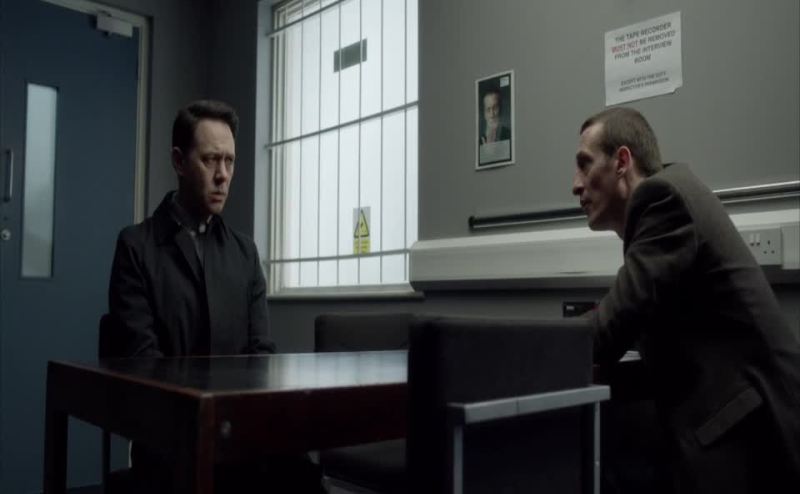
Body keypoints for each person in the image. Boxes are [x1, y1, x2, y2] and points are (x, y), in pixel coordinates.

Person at [572, 107, 800, 493]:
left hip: (756, 439)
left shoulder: (663, 199)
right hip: (738, 423)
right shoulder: (668, 198)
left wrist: (530, 348)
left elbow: (610, 327)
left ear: (622, 162)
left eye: (584, 164)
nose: (576, 185)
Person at [108, 100, 323, 493]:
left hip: (243, 437)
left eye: (230, 161)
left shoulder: (244, 253)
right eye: (210, 160)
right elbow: (143, 364)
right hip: (170, 442)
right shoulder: (136, 247)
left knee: (305, 475)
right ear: (179, 161)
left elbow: (261, 355)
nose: (223, 175)